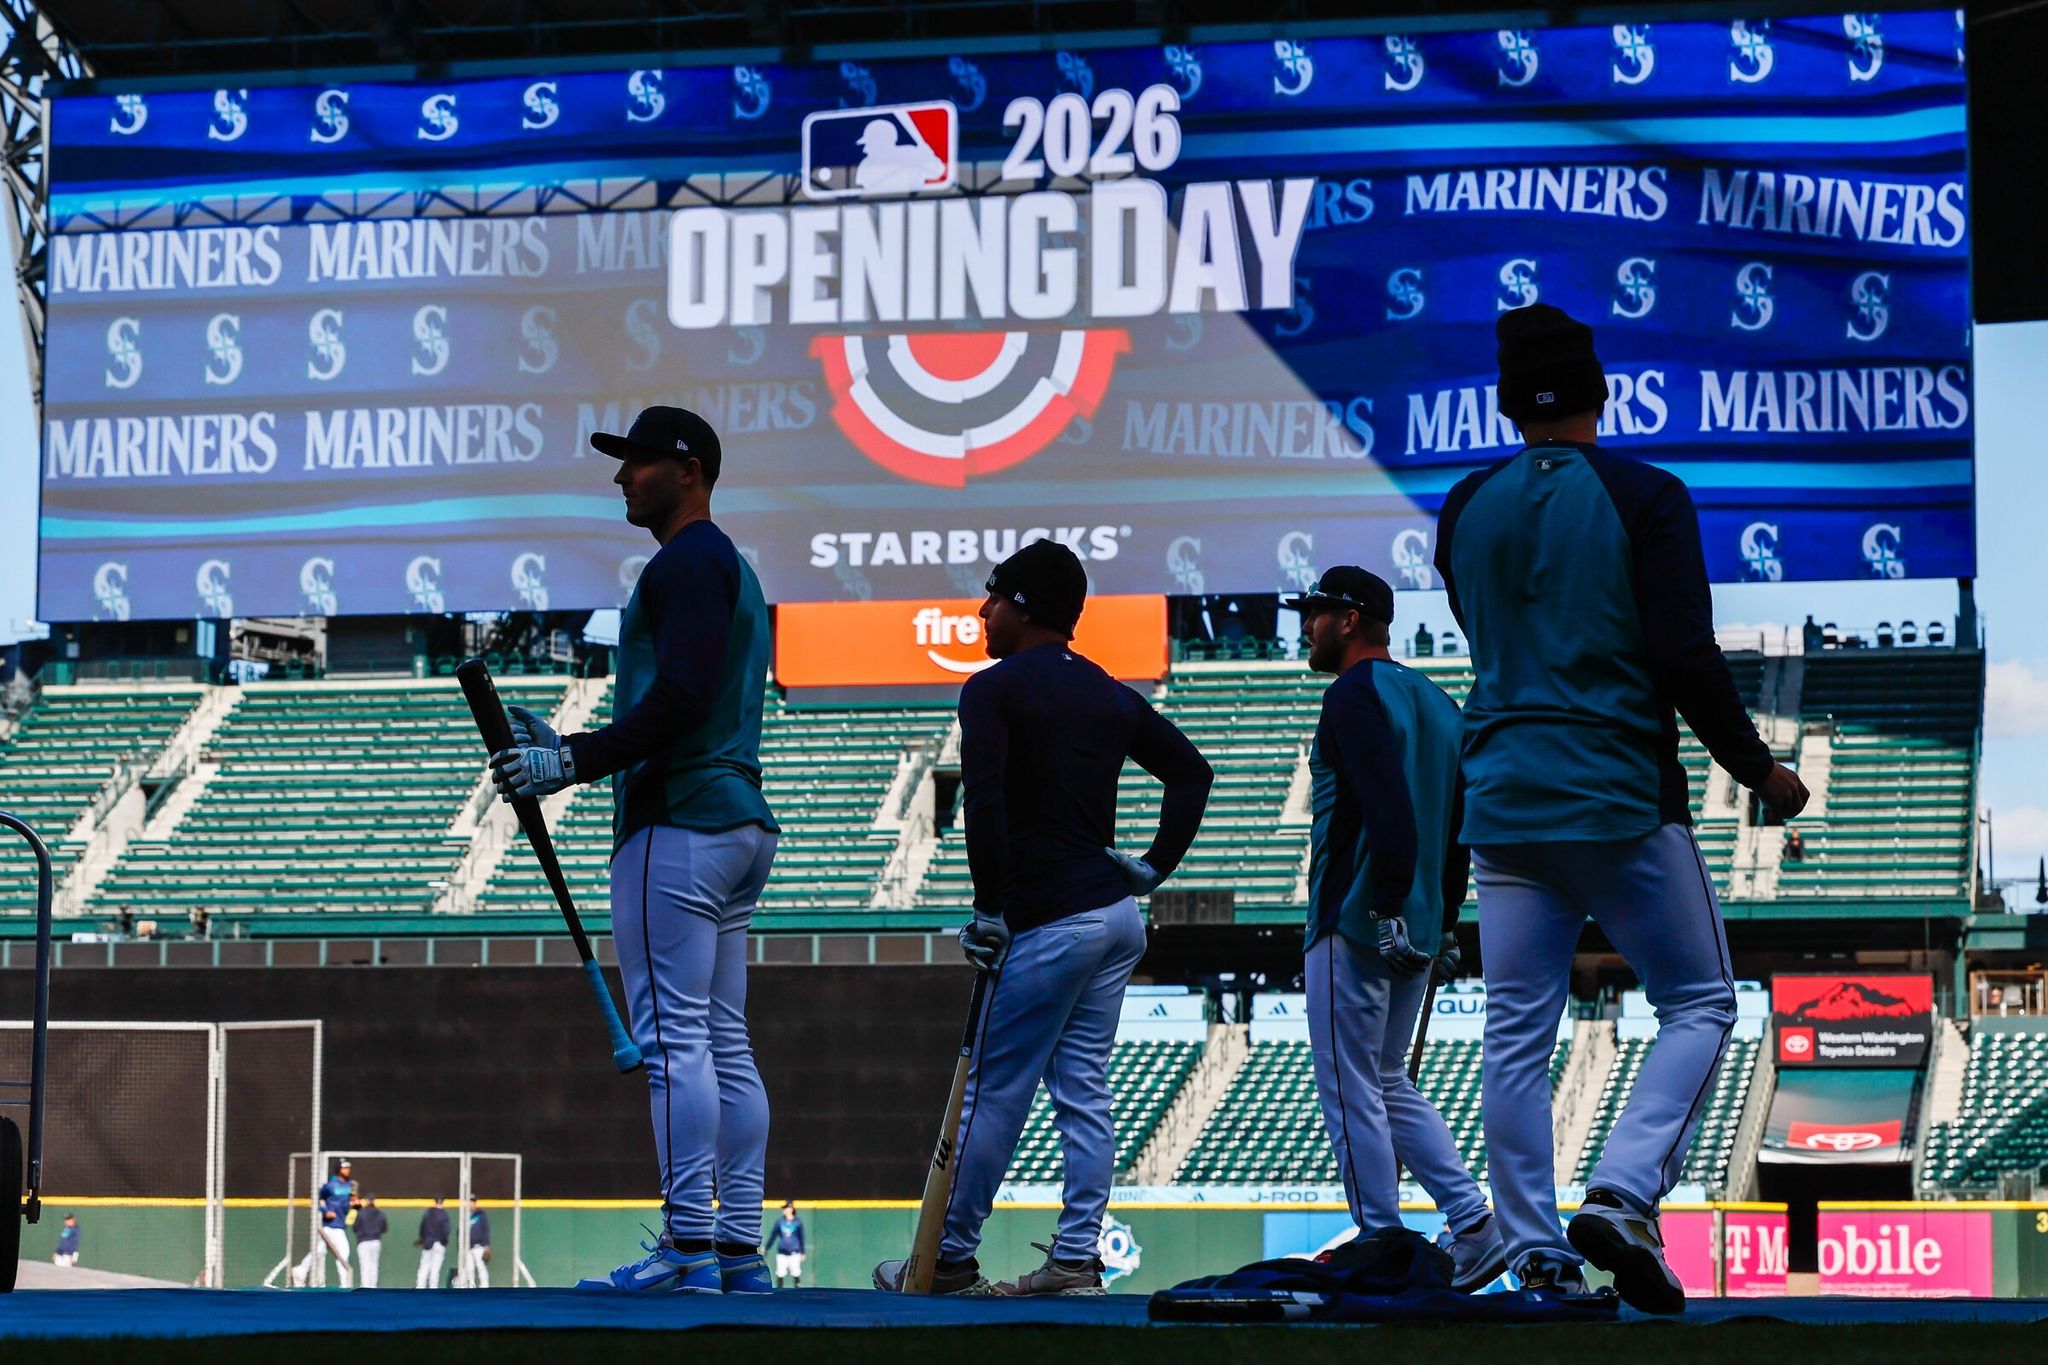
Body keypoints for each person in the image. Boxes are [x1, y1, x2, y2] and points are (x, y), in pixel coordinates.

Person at [1434, 304, 1809, 1313]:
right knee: (1698, 1002)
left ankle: (1535, 1250)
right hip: (1613, 791)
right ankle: (1623, 1192)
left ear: (1508, 402)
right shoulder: (1647, 495)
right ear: (1600, 394)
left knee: (1514, 1031)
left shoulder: (1464, 505)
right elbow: (1681, 651)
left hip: (1502, 796)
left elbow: (1481, 628)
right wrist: (1753, 766)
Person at [873, 540, 1214, 1296]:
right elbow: (1193, 772)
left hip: (1050, 918)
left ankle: (948, 1260)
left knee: (995, 1089)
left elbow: (986, 804)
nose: (981, 611)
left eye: (990, 597)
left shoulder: (992, 688)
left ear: (1022, 606)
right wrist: (1154, 865)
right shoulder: (1109, 690)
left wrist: (990, 905)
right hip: (1116, 915)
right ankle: (1075, 1258)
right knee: (1084, 1089)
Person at [493, 406, 779, 1296]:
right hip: (735, 819)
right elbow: (682, 702)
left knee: (675, 1042)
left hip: (680, 824)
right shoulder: (733, 567)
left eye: (638, 463)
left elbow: (684, 701)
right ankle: (736, 1248)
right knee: (724, 1042)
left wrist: (569, 760)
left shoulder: (684, 560)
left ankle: (690, 1245)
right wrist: (572, 739)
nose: (622, 478)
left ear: (687, 470)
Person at [1290, 566, 1505, 1293]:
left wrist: (1381, 903)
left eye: (1317, 612)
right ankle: (1475, 1221)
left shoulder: (1351, 692)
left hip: (1352, 915)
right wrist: (1442, 916)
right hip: (1416, 919)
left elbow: (1382, 800)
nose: (1307, 625)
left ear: (1351, 618)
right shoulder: (1441, 703)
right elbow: (1456, 826)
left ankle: (1380, 1231)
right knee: (1387, 1078)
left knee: (1349, 1081)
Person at [291, 1156, 357, 1288]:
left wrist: (355, 1205)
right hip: (331, 1226)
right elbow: (317, 1198)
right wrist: (325, 1210)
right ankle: (345, 1285)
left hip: (340, 1225)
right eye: (344, 1167)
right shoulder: (330, 1186)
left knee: (320, 1250)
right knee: (343, 1252)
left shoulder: (350, 1186)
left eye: (348, 1167)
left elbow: (353, 1204)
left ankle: (300, 1270)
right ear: (338, 1169)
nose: (347, 1170)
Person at [768, 1201, 807, 1287]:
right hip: (782, 1253)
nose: (784, 1210)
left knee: (796, 1273)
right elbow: (773, 1236)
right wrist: (767, 1248)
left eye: (786, 1208)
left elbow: (801, 1238)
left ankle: (798, 1293)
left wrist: (803, 1252)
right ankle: (779, 1294)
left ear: (791, 1209)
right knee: (780, 1273)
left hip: (794, 1252)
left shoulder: (798, 1222)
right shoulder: (780, 1222)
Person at [415, 1195, 451, 1289]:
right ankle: (433, 1289)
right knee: (435, 1270)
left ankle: (419, 1288)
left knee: (424, 1268)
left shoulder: (429, 1213)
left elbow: (423, 1228)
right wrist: (443, 1241)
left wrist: (422, 1238)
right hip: (439, 1244)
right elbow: (446, 1231)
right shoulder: (444, 1215)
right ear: (442, 1202)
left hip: (428, 1243)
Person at [353, 1194, 386, 1288]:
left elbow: (355, 1227)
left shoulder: (361, 1213)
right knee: (374, 1265)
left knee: (365, 1265)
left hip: (363, 1241)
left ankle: (365, 1286)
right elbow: (384, 1228)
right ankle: (373, 1286)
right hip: (376, 1241)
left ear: (367, 1201)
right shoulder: (380, 1213)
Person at [466, 1197, 491, 1289]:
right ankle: (470, 1286)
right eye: (470, 1201)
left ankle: (485, 1286)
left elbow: (486, 1230)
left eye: (473, 1201)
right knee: (469, 1269)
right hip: (468, 1247)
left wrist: (486, 1245)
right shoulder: (465, 1214)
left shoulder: (481, 1214)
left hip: (479, 1246)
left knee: (481, 1267)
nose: (471, 1203)